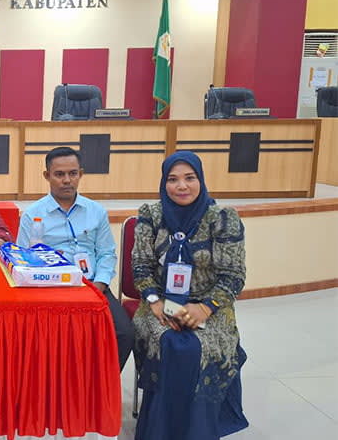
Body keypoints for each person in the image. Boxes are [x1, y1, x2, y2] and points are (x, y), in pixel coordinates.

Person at [132, 151, 248, 440]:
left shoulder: (222, 218)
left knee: (196, 348)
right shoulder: (151, 215)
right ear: (164, 183)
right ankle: (159, 431)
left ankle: (197, 432)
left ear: (201, 180)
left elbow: (233, 275)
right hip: (159, 301)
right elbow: (141, 266)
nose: (181, 186)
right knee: (170, 343)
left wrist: (205, 308)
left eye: (189, 178)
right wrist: (154, 301)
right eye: (172, 179)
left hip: (211, 305)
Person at [17, 146, 134, 370]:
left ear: (80, 174)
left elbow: (107, 253)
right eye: (59, 174)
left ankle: (100, 385)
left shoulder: (96, 211)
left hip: (93, 286)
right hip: (52, 288)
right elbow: (23, 260)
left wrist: (98, 286)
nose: (67, 180)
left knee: (123, 333)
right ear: (47, 176)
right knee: (52, 337)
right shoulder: (33, 214)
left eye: (72, 173)